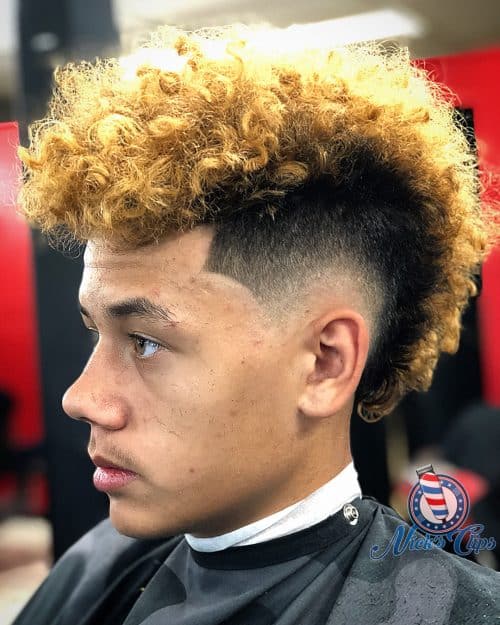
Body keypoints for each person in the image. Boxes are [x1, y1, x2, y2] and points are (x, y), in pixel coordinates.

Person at [13, 25, 500, 625]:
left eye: (145, 341)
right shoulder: (98, 568)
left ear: (324, 364)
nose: (81, 399)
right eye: (96, 332)